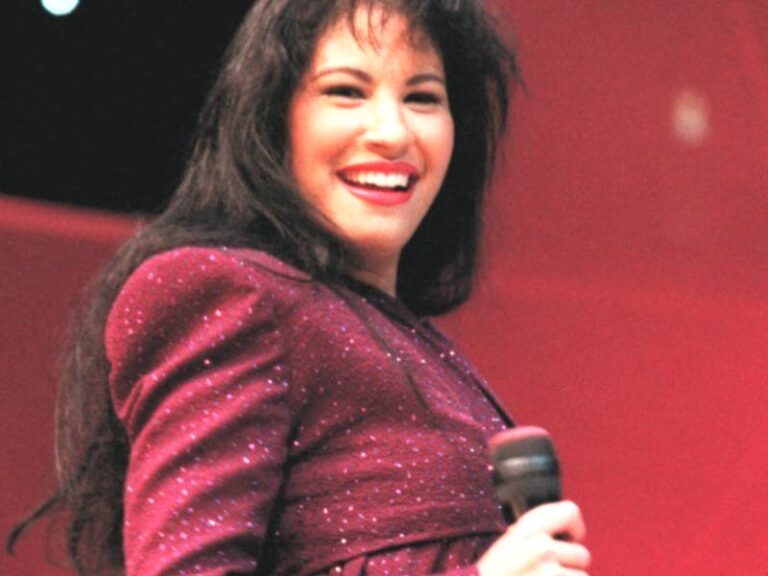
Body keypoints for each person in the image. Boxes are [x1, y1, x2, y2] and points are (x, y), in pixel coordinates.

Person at [9, 0, 591, 574]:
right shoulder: (227, 293)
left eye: (422, 98)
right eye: (346, 91)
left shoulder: (418, 347)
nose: (393, 133)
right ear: (271, 116)